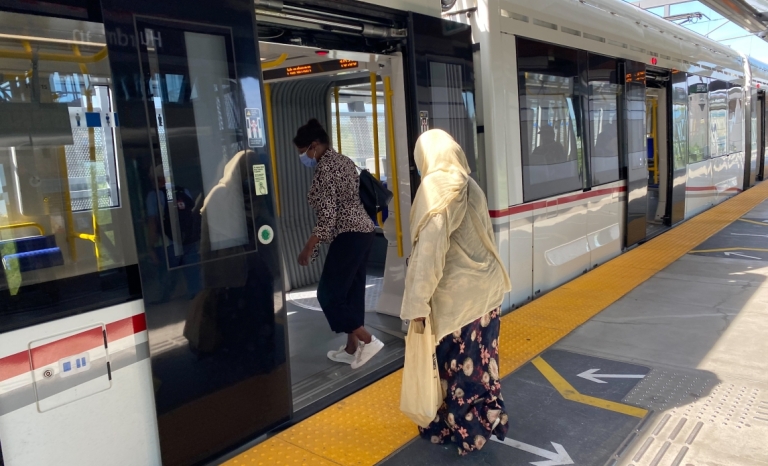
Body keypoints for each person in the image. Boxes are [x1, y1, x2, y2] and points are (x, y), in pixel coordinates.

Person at [401, 129, 512, 456]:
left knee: (458, 375)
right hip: (489, 296)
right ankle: (487, 416)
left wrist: (417, 306)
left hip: (459, 305)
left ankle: (469, 436)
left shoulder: (436, 189)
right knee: (483, 367)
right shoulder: (469, 185)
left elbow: (428, 256)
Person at [294, 118, 384, 369]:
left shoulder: (324, 169)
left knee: (328, 294)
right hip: (364, 231)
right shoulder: (343, 160)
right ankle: (352, 347)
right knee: (351, 292)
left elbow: (328, 215)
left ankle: (368, 341)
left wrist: (309, 246)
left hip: (349, 235)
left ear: (314, 145)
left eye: (303, 152)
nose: (303, 157)